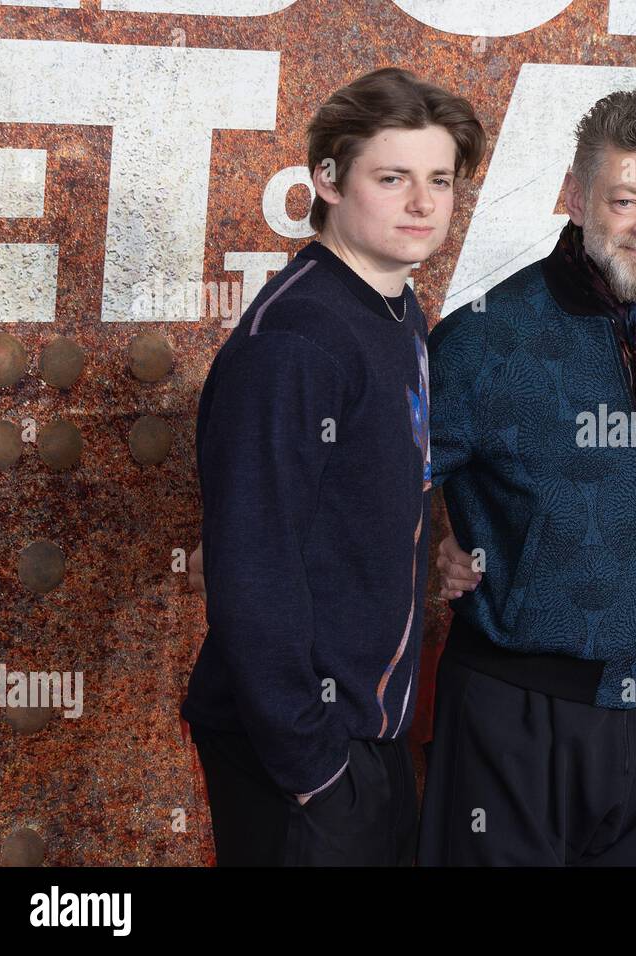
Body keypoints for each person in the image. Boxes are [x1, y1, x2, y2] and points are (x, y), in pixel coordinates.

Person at [420, 86, 636, 865]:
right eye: (625, 200)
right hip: (515, 717)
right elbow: (369, 482)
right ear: (574, 194)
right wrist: (426, 547)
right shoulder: (486, 338)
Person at [181, 68, 485, 866]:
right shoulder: (300, 340)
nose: (423, 203)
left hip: (364, 732)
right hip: (301, 751)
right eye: (393, 178)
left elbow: (355, 503)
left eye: (440, 180)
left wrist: (430, 556)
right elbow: (251, 560)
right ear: (327, 179)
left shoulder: (394, 308)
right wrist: (312, 766)